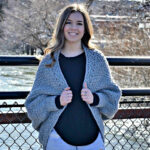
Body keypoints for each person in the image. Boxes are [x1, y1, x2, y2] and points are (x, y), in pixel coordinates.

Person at [25, 3, 121, 150]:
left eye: (79, 23)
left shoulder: (97, 59)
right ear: (61, 26)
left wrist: (95, 99)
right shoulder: (49, 62)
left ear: (85, 28)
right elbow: (33, 107)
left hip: (93, 142)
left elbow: (112, 99)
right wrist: (56, 101)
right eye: (68, 22)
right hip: (57, 140)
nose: (74, 27)